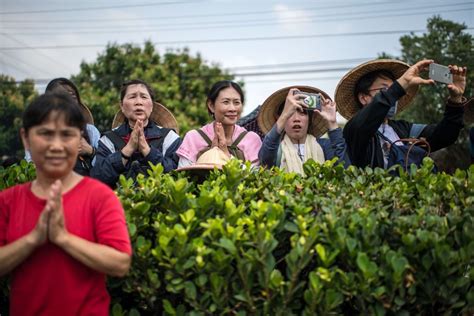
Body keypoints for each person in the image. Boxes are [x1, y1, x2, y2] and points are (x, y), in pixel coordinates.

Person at [0, 93, 132, 315]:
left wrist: (63, 238)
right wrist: (33, 239)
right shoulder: (8, 200)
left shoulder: (100, 197)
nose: (56, 146)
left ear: (80, 140)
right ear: (26, 138)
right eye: (45, 134)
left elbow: (120, 263)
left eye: (67, 135)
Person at [335, 59, 467, 169]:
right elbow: (368, 118)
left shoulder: (405, 129)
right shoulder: (355, 130)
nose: (393, 96)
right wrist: (401, 85)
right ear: (364, 98)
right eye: (384, 89)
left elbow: (445, 136)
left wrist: (455, 101)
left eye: (393, 89)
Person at [91, 79, 181, 188]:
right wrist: (128, 149)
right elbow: (97, 178)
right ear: (122, 106)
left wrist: (146, 150)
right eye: (132, 97)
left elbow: (177, 176)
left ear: (152, 106)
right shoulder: (108, 140)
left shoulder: (170, 138)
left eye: (144, 97)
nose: (138, 102)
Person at [257, 86, 350, 174]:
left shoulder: (324, 146)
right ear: (281, 118)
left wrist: (332, 124)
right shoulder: (277, 149)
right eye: (290, 113)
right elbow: (265, 160)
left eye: (302, 113)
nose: (296, 118)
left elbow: (344, 169)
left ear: (309, 119)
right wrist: (284, 114)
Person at [177, 80, 262, 167]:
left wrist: (226, 154)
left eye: (236, 102)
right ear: (211, 106)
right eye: (226, 102)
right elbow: (184, 176)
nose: (232, 108)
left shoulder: (252, 139)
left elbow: (255, 176)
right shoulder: (193, 138)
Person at [25, 77, 101, 175]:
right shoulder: (38, 133)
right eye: (63, 96)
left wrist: (91, 151)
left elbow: (105, 167)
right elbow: (31, 167)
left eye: (73, 96)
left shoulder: (91, 131)